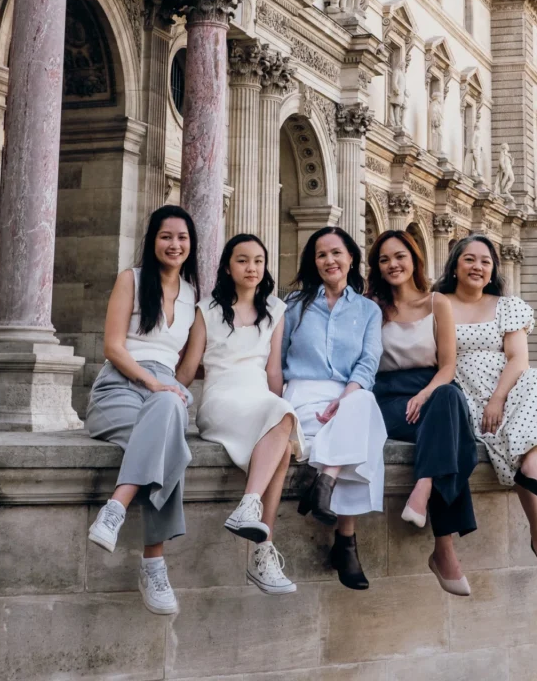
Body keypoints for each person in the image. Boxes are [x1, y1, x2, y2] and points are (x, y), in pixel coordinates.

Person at [435, 234, 537, 572]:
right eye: (470, 259)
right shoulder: (438, 304)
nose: (478, 266)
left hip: (508, 389)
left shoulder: (507, 306)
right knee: (511, 424)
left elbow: (518, 359)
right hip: (465, 393)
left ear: (493, 271)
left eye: (485, 261)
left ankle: (532, 462)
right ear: (455, 266)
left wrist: (498, 399)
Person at [85, 205, 199, 615]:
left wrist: (173, 389)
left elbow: (188, 365)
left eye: (182, 237)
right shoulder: (130, 279)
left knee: (170, 410)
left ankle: (115, 508)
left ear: (192, 244)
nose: (174, 244)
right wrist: (154, 383)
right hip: (120, 384)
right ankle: (153, 561)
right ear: (153, 240)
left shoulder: (193, 296)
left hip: (165, 391)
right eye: (166, 236)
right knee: (170, 444)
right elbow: (113, 346)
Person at [178, 234, 304, 596]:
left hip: (258, 396)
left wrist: (279, 414)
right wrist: (163, 392)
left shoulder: (276, 310)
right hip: (220, 398)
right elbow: (188, 369)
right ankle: (261, 550)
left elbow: (274, 372)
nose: (251, 268)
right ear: (228, 266)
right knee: (281, 426)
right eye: (243, 260)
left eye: (258, 261)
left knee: (282, 426)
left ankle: (254, 522)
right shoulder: (207, 310)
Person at [368, 231, 478, 596]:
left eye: (399, 256)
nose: (392, 265)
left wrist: (424, 393)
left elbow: (448, 366)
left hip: (432, 391)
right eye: (384, 260)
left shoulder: (438, 303)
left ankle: (425, 483)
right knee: (454, 433)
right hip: (387, 398)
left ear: (414, 259)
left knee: (448, 397)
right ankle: (444, 550)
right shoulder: (372, 306)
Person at [282, 226, 387, 590]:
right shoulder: (294, 305)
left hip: (346, 395)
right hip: (302, 394)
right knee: (361, 438)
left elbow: (368, 361)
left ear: (351, 258)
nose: (330, 260)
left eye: (336, 252)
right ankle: (346, 541)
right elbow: (278, 359)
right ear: (314, 262)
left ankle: (324, 480)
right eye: (321, 254)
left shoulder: (369, 310)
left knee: (364, 401)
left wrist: (344, 397)